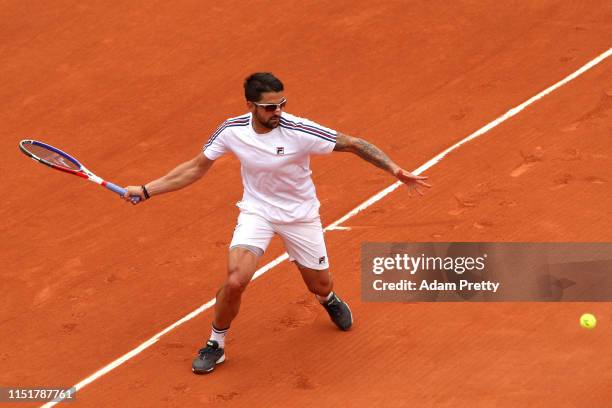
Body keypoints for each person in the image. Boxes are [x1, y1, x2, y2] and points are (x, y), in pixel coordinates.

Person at [123, 72, 431, 374]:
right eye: (270, 107)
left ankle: (328, 299)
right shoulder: (231, 130)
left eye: (281, 104)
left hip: (300, 216)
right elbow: (194, 168)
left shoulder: (299, 130)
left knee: (320, 284)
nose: (278, 112)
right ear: (250, 106)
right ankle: (216, 344)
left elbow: (353, 143)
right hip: (258, 212)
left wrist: (394, 169)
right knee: (235, 281)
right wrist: (147, 189)